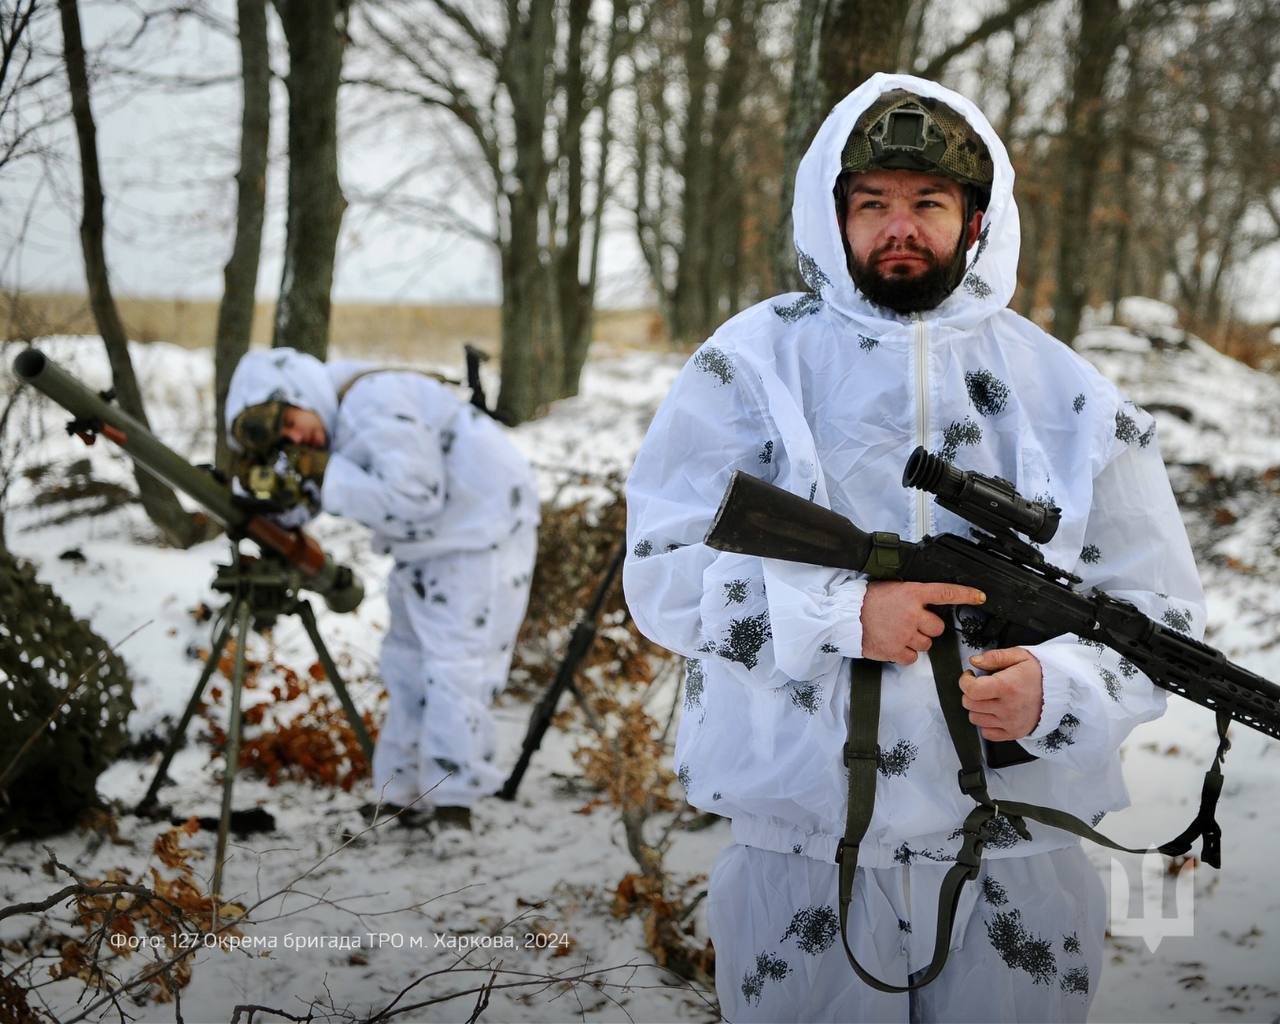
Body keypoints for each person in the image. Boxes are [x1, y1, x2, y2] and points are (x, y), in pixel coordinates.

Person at [623, 73, 1205, 1022]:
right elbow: (660, 572)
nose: (901, 226)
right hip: (802, 850)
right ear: (834, 215)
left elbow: (1161, 617)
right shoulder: (750, 363)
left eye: (928, 204)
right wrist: (842, 614)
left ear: (975, 221)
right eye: (874, 204)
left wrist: (1059, 689)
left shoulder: (1072, 398)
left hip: (1021, 853)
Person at [225, 348, 538, 845]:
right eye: (282, 439)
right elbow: (313, 503)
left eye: (290, 418)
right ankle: (403, 794)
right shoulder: (336, 415)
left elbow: (414, 496)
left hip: (481, 537)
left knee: (456, 669)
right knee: (406, 667)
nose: (296, 436)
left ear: (301, 395)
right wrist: (258, 497)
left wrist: (319, 472)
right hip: (429, 545)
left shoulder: (371, 400)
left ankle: (452, 804)